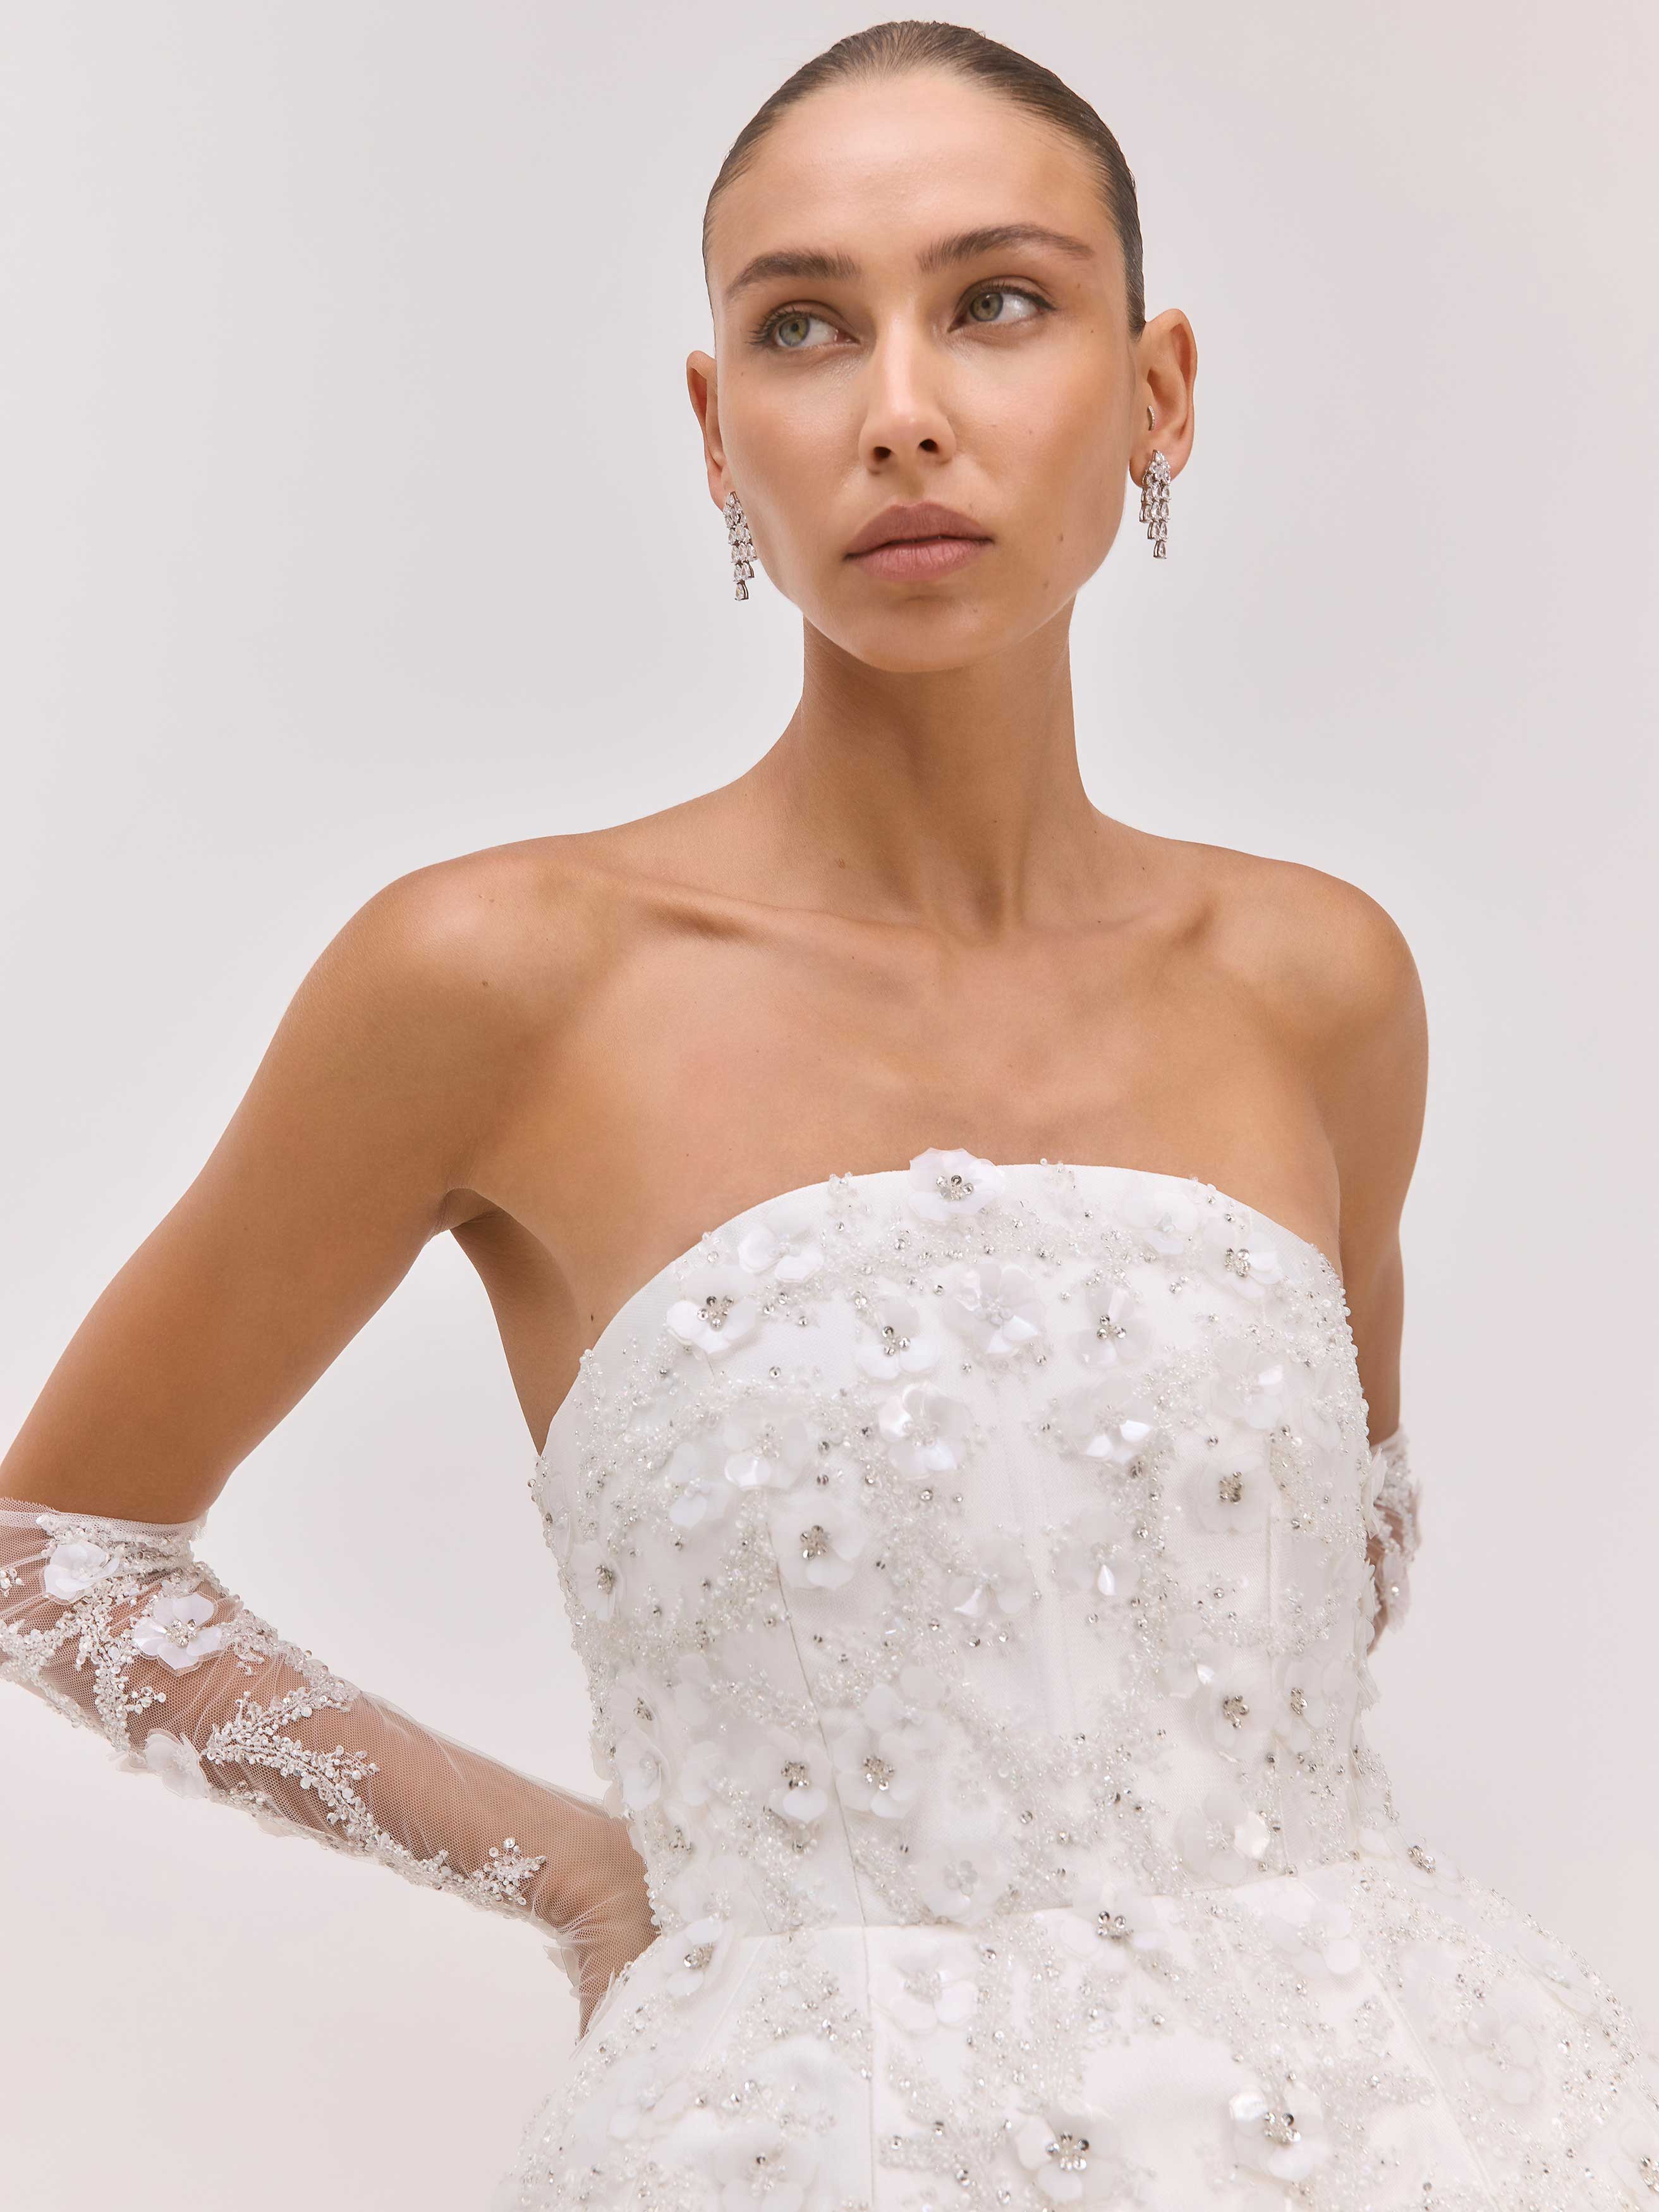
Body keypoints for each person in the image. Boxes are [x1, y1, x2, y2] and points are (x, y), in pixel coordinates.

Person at [3, 19, 1656, 2209]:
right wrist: (588, 1878)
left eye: (997, 301)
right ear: (717, 430)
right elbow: (54, 1547)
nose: (900, 410)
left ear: (1155, 389)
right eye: (803, 326)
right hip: (812, 2139)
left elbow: (1313, 1592)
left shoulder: (1315, 983)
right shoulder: (495, 976)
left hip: (1428, 2119)